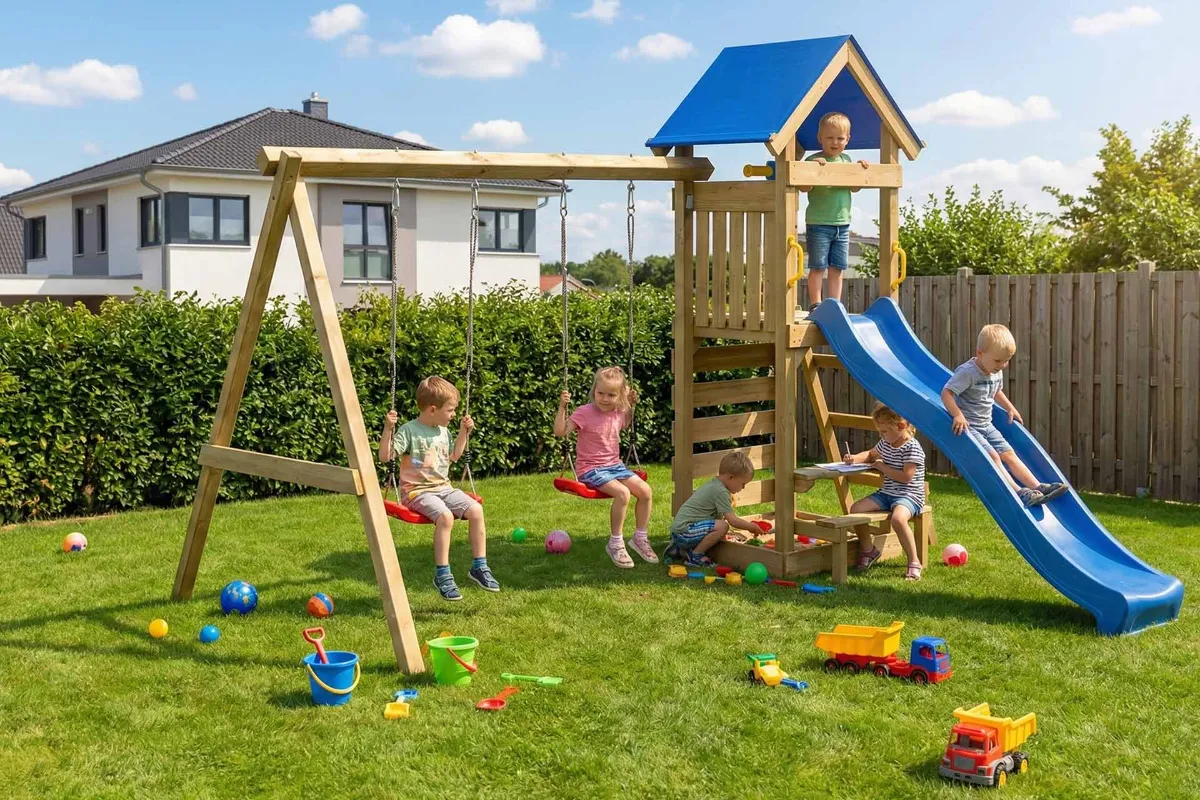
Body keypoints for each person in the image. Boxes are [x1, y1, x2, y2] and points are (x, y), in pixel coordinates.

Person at [379, 376, 498, 601]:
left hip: (443, 488)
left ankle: (479, 566)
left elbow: (454, 455)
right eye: (450, 410)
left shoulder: (443, 430)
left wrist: (464, 433)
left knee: (476, 511)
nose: (454, 415)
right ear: (433, 409)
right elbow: (386, 457)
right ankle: (443, 574)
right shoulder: (408, 431)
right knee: (445, 517)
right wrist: (388, 429)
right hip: (417, 492)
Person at [942, 324, 1068, 508]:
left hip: (987, 425)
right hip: (970, 427)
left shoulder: (995, 371)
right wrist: (957, 415)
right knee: (994, 457)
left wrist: (1009, 407)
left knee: (1009, 454)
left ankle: (1037, 487)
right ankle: (1020, 492)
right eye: (998, 360)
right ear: (979, 353)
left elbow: (996, 391)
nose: (1002, 365)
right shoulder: (967, 373)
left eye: (1006, 361)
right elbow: (946, 393)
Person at [554, 366, 656, 568]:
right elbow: (559, 431)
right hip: (591, 469)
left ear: (619, 395)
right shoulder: (584, 412)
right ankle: (615, 543)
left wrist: (630, 404)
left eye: (611, 394)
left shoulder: (619, 412)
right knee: (623, 494)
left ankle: (639, 538)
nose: (605, 398)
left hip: (615, 466)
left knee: (646, 491)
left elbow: (625, 423)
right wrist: (562, 407)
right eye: (601, 393)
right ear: (594, 391)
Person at [843, 404, 927, 581]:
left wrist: (882, 466)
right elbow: (870, 454)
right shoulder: (886, 442)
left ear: (901, 426)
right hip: (887, 493)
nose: (881, 436)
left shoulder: (912, 447)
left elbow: (906, 477)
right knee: (855, 509)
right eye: (879, 432)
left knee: (898, 519)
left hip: (909, 496)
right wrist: (854, 459)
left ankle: (914, 561)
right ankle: (869, 550)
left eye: (884, 432)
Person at [796, 111, 870, 309]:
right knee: (818, 266)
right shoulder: (813, 159)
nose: (835, 142)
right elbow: (803, 188)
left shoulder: (846, 160)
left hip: (842, 224)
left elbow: (855, 187)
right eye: (829, 137)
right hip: (819, 223)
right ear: (820, 139)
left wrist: (860, 169)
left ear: (847, 140)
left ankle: (835, 304)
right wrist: (813, 169)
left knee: (838, 267)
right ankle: (816, 303)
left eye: (840, 138)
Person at [666, 450, 767, 568]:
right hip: (684, 532)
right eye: (742, 483)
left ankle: (679, 549)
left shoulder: (715, 484)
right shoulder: (721, 492)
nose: (743, 488)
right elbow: (732, 520)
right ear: (731, 477)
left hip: (679, 531)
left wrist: (722, 536)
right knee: (723, 526)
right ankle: (696, 555)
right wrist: (752, 527)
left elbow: (713, 517)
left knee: (720, 526)